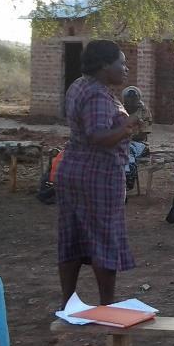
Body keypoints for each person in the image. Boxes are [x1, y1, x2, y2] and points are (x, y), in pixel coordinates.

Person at [56, 39, 139, 308]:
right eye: (121, 63)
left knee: (72, 236)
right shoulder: (98, 95)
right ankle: (107, 307)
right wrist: (128, 127)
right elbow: (97, 136)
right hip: (98, 175)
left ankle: (67, 303)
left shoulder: (80, 85)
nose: (125, 69)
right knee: (104, 238)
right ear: (104, 65)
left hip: (73, 170)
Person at [121, 86, 152, 190]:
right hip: (123, 142)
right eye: (128, 100)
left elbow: (143, 135)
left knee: (128, 149)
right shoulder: (120, 110)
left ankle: (128, 174)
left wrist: (127, 135)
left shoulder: (144, 111)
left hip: (140, 144)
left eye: (134, 99)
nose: (131, 102)